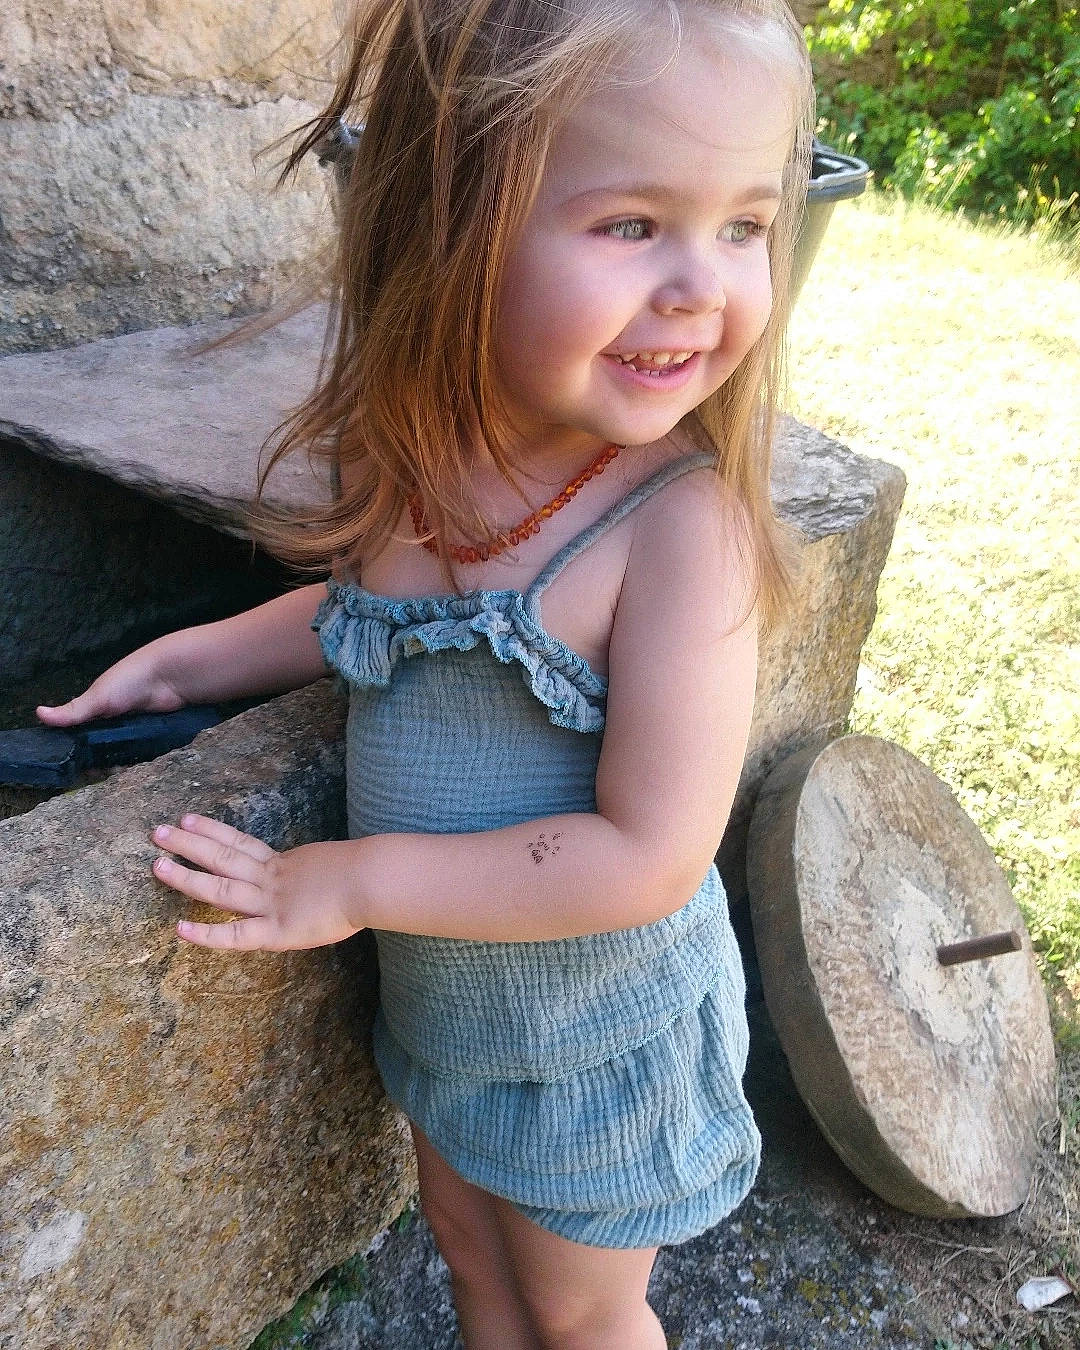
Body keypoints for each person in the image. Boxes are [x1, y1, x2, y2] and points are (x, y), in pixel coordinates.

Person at [37, 1, 814, 1345]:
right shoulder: (412, 458)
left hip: (590, 1047)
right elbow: (370, 616)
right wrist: (186, 663)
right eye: (633, 223)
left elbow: (645, 853)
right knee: (465, 1256)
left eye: (745, 223)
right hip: (452, 1013)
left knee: (581, 1319)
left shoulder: (681, 536)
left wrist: (348, 878)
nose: (702, 283)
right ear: (446, 215)